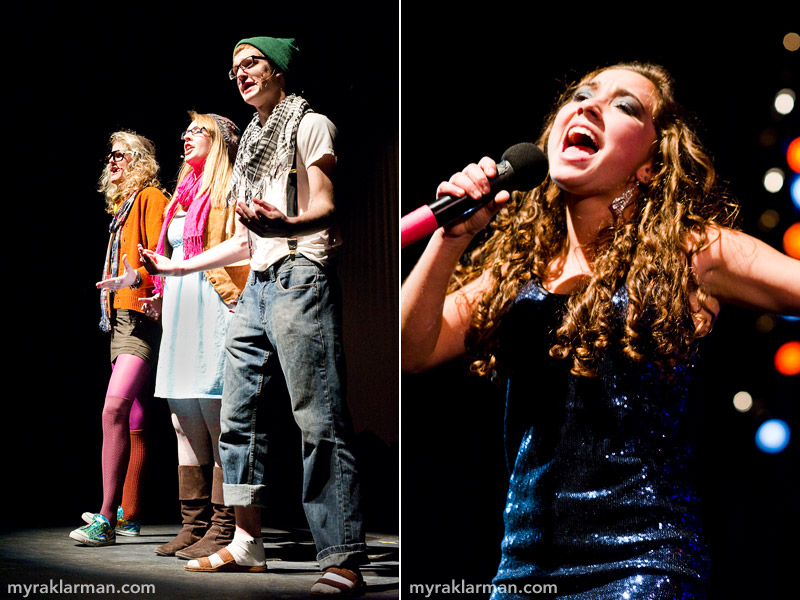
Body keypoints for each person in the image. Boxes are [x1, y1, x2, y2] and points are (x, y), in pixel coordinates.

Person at [401, 62, 800, 599]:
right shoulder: (517, 268)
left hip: (644, 564)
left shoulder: (694, 250)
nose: (588, 106)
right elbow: (410, 350)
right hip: (521, 573)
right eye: (582, 95)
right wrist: (448, 241)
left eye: (624, 106)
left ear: (651, 166)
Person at [139, 37, 368, 595]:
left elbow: (326, 207)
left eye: (252, 63)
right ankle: (247, 542)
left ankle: (341, 556)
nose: (241, 74)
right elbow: (244, 241)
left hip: (299, 275)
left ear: (278, 69)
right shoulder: (250, 145)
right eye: (235, 67)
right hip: (258, 285)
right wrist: (177, 269)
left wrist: (283, 228)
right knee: (238, 418)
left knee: (317, 420)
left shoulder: (311, 125)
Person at [142, 112, 248, 560]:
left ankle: (224, 526)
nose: (186, 136)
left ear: (221, 141)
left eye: (197, 130)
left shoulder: (231, 185)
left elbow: (243, 245)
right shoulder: (181, 194)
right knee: (182, 421)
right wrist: (158, 296)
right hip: (183, 307)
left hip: (215, 303)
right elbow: (171, 252)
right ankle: (193, 522)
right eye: (184, 130)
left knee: (219, 418)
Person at [70, 131, 169, 546]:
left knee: (114, 407)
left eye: (120, 156)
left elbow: (167, 257)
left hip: (142, 314)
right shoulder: (121, 208)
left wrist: (140, 282)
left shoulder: (149, 197)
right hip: (120, 317)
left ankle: (106, 518)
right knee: (133, 414)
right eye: (109, 156)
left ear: (141, 160)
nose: (111, 162)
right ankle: (130, 513)